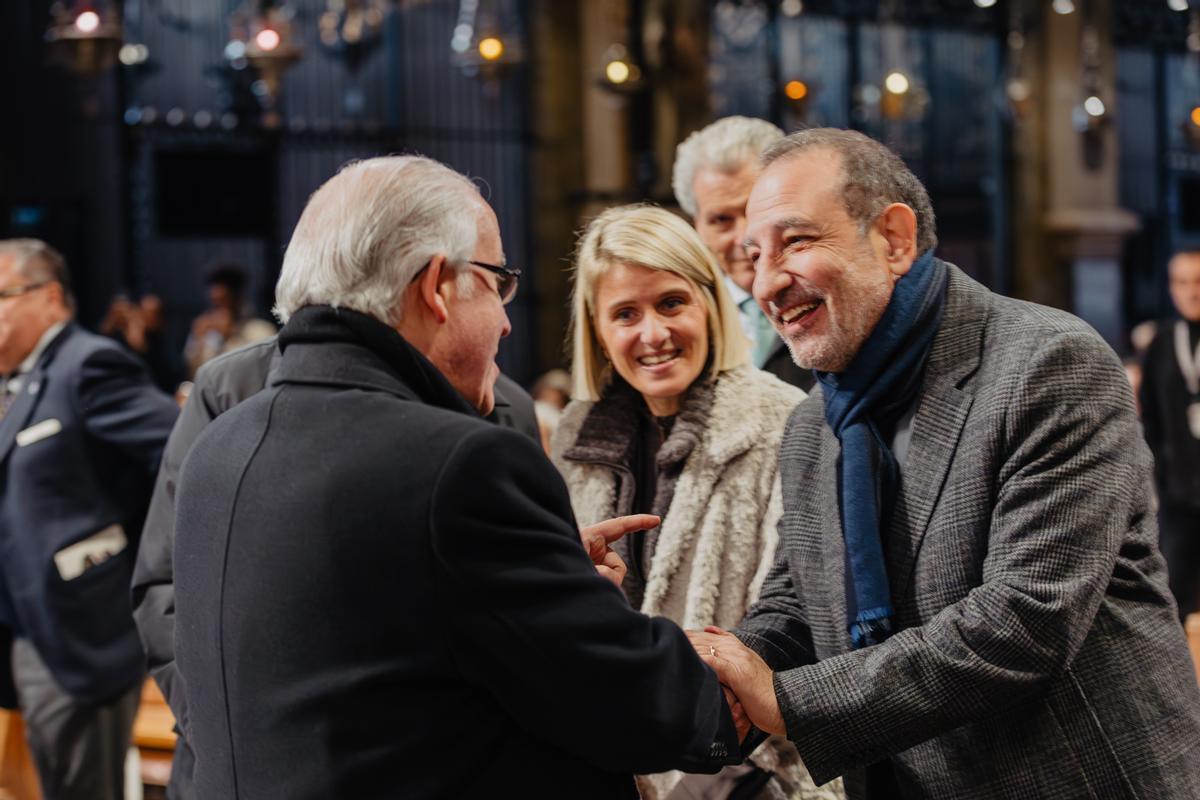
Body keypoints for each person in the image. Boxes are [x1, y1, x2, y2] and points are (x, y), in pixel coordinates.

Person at [171, 156, 742, 798]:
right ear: (437, 286)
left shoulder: (217, 447)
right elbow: (627, 703)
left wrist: (548, 574)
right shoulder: (459, 464)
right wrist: (735, 686)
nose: (504, 319)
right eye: (497, 282)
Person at [687, 129, 1200, 799]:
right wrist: (716, 674)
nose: (766, 282)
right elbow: (799, 601)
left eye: (797, 242)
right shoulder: (813, 423)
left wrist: (787, 700)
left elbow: (1024, 621)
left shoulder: (1049, 364)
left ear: (895, 239)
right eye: (753, 257)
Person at [132, 336, 539, 800]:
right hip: (238, 762)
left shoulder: (502, 401)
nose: (507, 323)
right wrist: (226, 736)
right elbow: (165, 586)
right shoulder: (232, 385)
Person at [551, 205, 834, 800]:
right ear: (597, 331)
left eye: (671, 303)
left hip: (751, 779)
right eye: (625, 314)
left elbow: (800, 632)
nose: (653, 333)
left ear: (710, 302)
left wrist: (713, 779)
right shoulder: (575, 439)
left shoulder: (785, 424)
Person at [0, 239, 178, 800]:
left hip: (81, 631)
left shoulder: (87, 365)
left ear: (50, 296)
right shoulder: (17, 380)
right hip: (25, 629)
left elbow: (180, 452)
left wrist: (123, 553)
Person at [673, 116, 814, 392]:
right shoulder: (677, 322)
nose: (744, 239)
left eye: (754, 212)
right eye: (721, 220)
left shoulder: (833, 297)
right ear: (696, 225)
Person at [1140, 251, 1200, 620]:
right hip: (1178, 494)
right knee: (1173, 592)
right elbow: (1152, 424)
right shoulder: (1161, 344)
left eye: (1198, 282)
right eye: (1181, 283)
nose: (1190, 292)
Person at [183, 262, 275, 377]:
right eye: (214, 302)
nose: (218, 309)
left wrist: (229, 338)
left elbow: (255, 370)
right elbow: (194, 372)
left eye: (223, 300)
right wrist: (198, 342)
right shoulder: (206, 331)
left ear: (238, 298)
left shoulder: (261, 330)